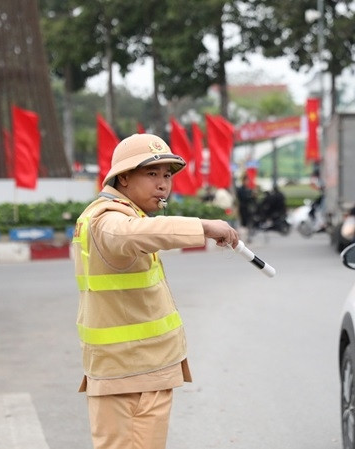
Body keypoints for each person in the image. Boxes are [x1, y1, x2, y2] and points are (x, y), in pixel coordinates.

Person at [72, 133, 238, 449]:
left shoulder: (121, 214)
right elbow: (130, 235)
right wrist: (202, 227)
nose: (163, 184)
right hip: (128, 374)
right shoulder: (108, 219)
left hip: (140, 369)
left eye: (166, 175)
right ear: (123, 177)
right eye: (151, 174)